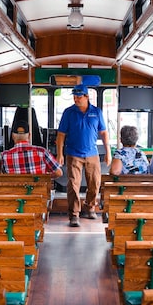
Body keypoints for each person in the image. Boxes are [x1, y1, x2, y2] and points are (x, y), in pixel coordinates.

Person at [55, 84, 111, 227]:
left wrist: (108, 152)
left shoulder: (97, 112)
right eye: (74, 96)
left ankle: (90, 207)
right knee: (73, 185)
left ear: (87, 96)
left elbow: (103, 132)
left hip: (92, 153)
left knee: (95, 183)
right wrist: (60, 154)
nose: (76, 99)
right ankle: (74, 214)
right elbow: (61, 134)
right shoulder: (68, 112)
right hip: (73, 153)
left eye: (79, 96)